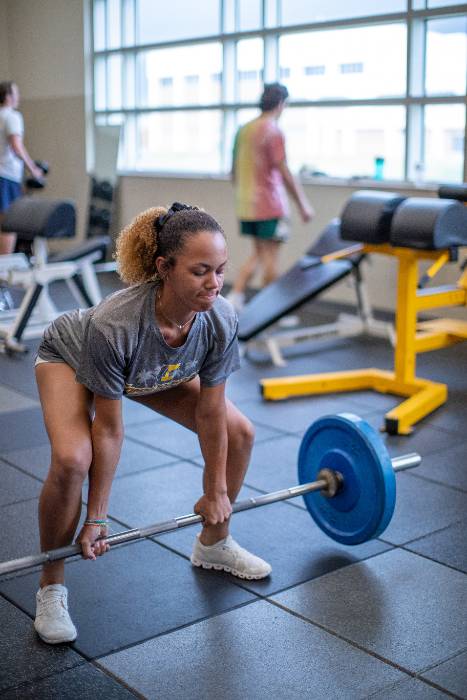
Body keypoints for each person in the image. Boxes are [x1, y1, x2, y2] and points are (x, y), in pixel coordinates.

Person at [33, 202, 271, 645]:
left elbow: (212, 411)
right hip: (72, 357)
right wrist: (97, 518)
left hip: (145, 369)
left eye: (220, 270)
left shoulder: (219, 318)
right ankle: (51, 586)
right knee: (71, 459)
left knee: (241, 432)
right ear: (164, 267)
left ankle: (214, 542)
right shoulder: (115, 324)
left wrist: (215, 491)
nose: (214, 284)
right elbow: (108, 428)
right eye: (200, 271)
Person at [228, 82, 315, 311]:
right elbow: (284, 171)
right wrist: (303, 204)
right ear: (281, 104)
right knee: (270, 259)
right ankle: (272, 310)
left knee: (258, 253)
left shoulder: (243, 130)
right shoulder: (273, 131)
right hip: (269, 206)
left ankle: (236, 296)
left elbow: (233, 172)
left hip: (246, 206)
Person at [0, 81, 43, 255]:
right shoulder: (12, 116)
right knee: (8, 224)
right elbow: (16, 146)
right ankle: (4, 271)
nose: (19, 97)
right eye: (16, 93)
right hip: (6, 177)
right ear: (8, 97)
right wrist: (34, 170)